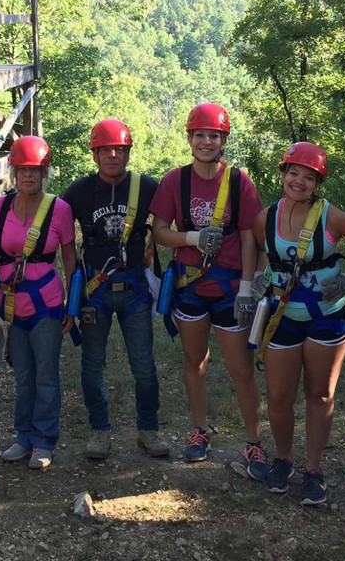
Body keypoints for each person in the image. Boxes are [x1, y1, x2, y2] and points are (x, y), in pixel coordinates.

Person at [250, 142, 345, 505]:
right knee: (278, 396)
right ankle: (283, 459)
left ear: (317, 183)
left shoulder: (331, 217)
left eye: (309, 177)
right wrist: (258, 278)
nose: (299, 182)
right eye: (293, 173)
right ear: (283, 174)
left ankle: (314, 470)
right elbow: (259, 248)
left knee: (320, 394)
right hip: (282, 316)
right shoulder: (266, 217)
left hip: (328, 316)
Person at [150, 103, 265, 471]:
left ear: (222, 141)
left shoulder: (238, 181)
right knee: (193, 362)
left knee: (241, 369)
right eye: (199, 134)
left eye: (213, 135)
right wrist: (193, 237)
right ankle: (200, 430)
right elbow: (160, 232)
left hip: (230, 287)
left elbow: (249, 237)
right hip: (190, 286)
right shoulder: (174, 181)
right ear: (189, 138)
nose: (205, 141)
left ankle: (254, 441)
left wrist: (248, 286)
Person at [62, 119, 169, 460]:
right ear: (94, 154)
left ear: (127, 152)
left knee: (144, 365)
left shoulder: (147, 187)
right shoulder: (79, 192)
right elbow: (58, 233)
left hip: (135, 287)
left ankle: (148, 429)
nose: (112, 155)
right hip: (95, 289)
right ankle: (100, 431)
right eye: (105, 150)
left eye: (119, 149)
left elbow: (170, 222)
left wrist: (153, 244)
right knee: (92, 364)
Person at [0, 135, 76, 470]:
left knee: (46, 373)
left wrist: (72, 307)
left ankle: (43, 441)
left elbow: (70, 259)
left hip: (46, 303)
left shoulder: (60, 210)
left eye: (37, 170)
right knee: (23, 374)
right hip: (9, 303)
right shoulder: (0, 207)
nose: (30, 176)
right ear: (15, 172)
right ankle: (23, 437)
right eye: (24, 170)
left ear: (45, 172)